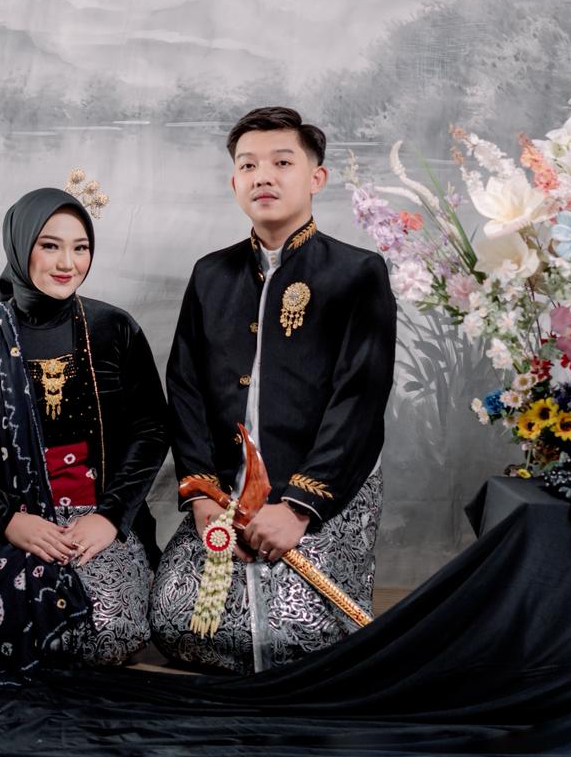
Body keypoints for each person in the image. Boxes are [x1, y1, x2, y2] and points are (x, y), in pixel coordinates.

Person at [150, 107, 397, 673]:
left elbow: (359, 400)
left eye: (282, 163)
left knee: (298, 635)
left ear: (316, 177)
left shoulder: (357, 272)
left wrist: (299, 508)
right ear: (233, 182)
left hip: (319, 488)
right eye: (248, 165)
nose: (263, 176)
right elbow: (184, 389)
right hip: (227, 491)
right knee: (177, 620)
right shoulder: (210, 274)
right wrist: (204, 497)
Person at [0, 186, 169, 683]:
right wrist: (9, 520)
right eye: (50, 245)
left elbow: (151, 428)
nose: (67, 263)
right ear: (20, 245)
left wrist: (110, 518)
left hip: (96, 516)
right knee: (26, 619)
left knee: (110, 632)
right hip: (9, 520)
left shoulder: (114, 329)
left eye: (80, 247)